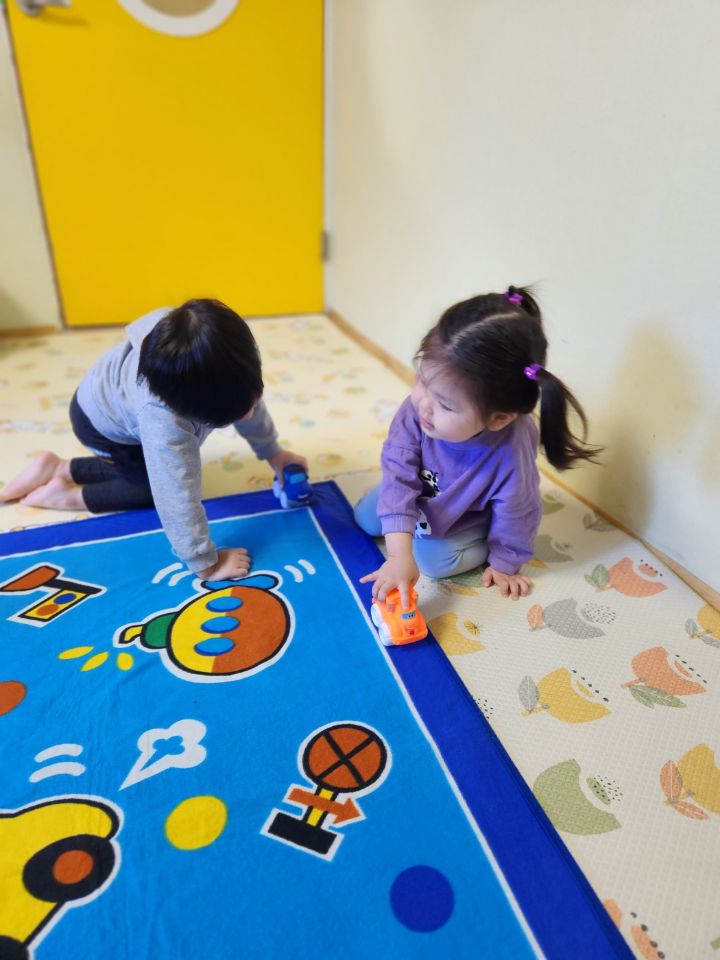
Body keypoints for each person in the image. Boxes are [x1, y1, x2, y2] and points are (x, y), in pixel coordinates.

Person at [0, 299, 306, 580]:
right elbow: (174, 493)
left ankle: (57, 467)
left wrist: (274, 453)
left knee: (228, 413)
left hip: (106, 394)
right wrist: (206, 563)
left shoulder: (204, 352)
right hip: (100, 428)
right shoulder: (164, 422)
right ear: (190, 411)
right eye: (239, 411)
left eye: (253, 399)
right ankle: (66, 496)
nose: (250, 413)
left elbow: (245, 398)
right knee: (150, 488)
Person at [355, 286, 601, 605]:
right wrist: (398, 554)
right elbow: (397, 469)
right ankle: (405, 525)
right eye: (423, 382)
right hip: (425, 495)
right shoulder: (419, 409)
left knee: (433, 563)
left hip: (464, 514)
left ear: (498, 419)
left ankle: (480, 535)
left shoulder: (510, 450)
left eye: (446, 405)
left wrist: (505, 562)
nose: (424, 405)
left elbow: (518, 509)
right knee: (365, 519)